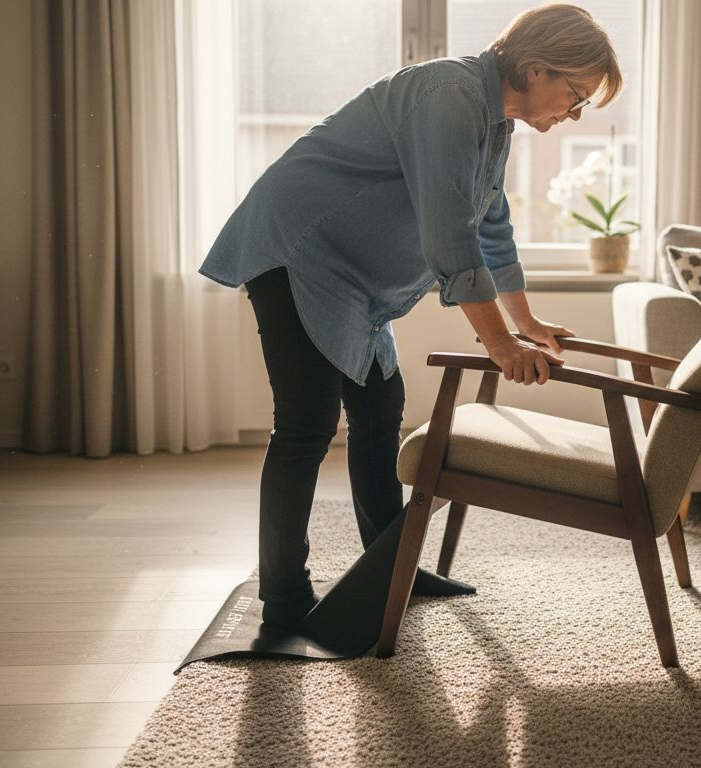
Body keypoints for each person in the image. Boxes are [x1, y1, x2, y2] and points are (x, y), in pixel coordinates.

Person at [199, 4, 623, 632]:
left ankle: (390, 564)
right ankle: (285, 599)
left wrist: (525, 322)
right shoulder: (450, 96)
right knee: (305, 427)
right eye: (577, 95)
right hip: (299, 250)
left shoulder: (494, 120)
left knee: (378, 414)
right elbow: (449, 236)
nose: (575, 113)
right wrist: (501, 344)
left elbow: (490, 225)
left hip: (355, 277)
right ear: (536, 70)